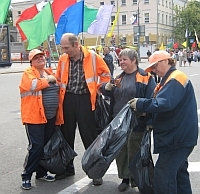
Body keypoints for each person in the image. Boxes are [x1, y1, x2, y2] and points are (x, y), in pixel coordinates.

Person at [129, 50, 198, 194]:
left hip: (176, 138)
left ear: (167, 61)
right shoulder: (170, 78)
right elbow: (165, 105)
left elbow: (164, 103)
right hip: (179, 136)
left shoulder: (175, 78)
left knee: (163, 175)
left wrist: (141, 104)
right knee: (179, 174)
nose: (153, 70)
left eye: (155, 66)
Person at [55, 33, 111, 185]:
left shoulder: (93, 57)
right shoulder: (63, 59)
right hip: (67, 99)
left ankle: (95, 172)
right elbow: (59, 78)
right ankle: (67, 168)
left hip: (86, 100)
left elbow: (106, 74)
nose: (64, 51)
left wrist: (99, 89)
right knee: (66, 136)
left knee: (89, 136)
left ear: (76, 45)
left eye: (66, 47)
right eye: (62, 48)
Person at [100, 48, 156, 192]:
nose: (121, 62)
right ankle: (125, 179)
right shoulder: (120, 77)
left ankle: (138, 180)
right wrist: (106, 88)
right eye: (120, 59)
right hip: (119, 123)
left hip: (137, 122)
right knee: (121, 153)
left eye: (124, 59)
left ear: (134, 60)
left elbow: (152, 100)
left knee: (135, 153)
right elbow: (105, 90)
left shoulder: (146, 77)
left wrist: (148, 120)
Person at [19, 49, 63, 190]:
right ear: (31, 61)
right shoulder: (28, 73)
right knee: (36, 147)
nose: (40, 59)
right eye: (36, 58)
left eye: (42, 57)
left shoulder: (49, 72)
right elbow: (33, 85)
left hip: (49, 116)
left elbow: (59, 85)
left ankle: (41, 173)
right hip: (34, 117)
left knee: (44, 146)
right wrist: (47, 80)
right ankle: (26, 175)